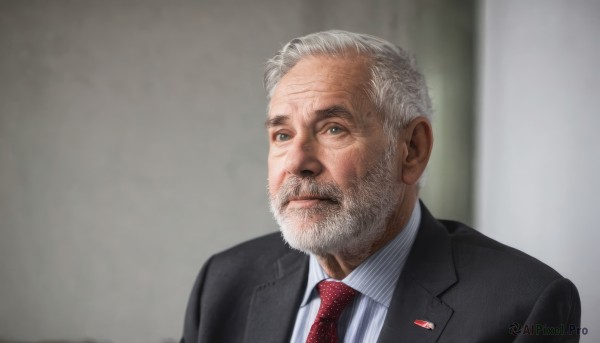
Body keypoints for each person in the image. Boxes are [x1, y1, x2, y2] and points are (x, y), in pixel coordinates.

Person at [180, 30, 581, 343]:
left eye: (333, 128)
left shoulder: (524, 305)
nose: (297, 163)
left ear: (411, 150)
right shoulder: (223, 283)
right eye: (282, 135)